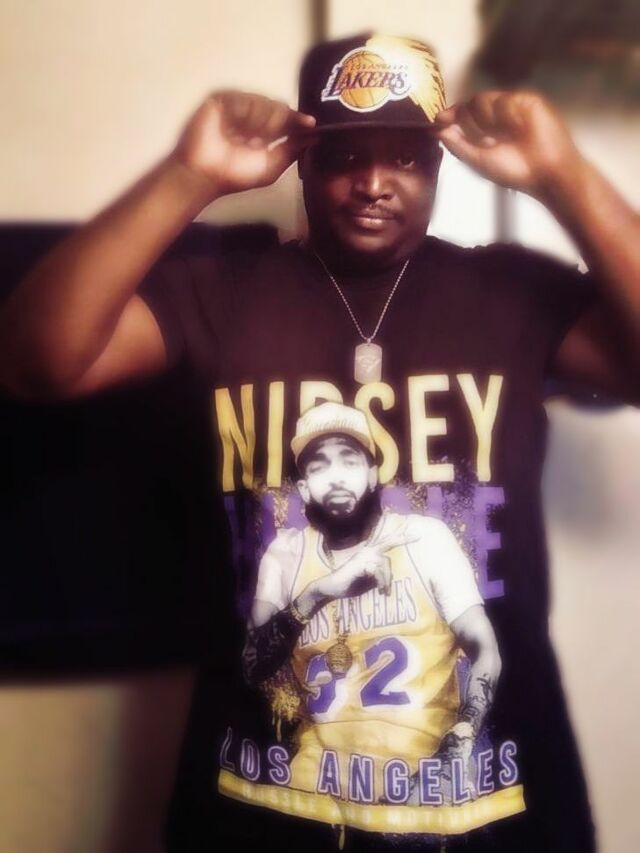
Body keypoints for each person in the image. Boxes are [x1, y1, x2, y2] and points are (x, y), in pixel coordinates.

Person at [0, 29, 638, 853]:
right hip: (259, 812)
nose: (373, 182)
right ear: (302, 159)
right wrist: (188, 174)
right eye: (343, 155)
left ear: (439, 162)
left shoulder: (508, 291)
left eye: (404, 155)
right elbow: (34, 361)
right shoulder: (225, 291)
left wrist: (565, 175)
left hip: (491, 813)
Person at [242, 400, 501, 812]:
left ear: (372, 473)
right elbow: (252, 667)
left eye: (349, 460)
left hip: (420, 778)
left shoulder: (422, 538)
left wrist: (463, 736)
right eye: (319, 467)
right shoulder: (286, 554)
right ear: (304, 488)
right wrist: (318, 593)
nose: (336, 476)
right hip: (314, 783)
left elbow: (485, 647)